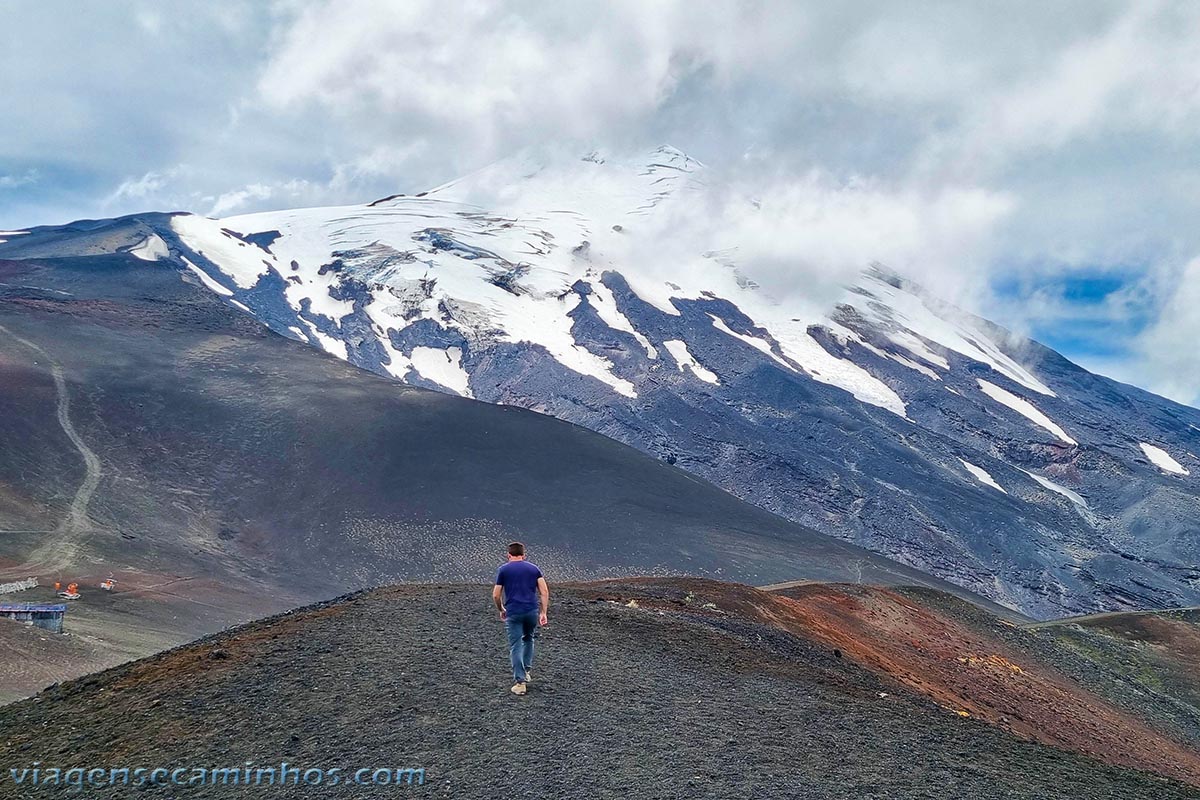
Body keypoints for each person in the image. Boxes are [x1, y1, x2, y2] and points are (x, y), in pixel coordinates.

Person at [492, 541, 549, 696]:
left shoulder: (503, 570)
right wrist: (543, 612)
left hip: (514, 612)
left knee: (516, 645)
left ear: (508, 555)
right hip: (531, 610)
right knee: (529, 638)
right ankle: (527, 670)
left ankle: (520, 682)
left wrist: (501, 609)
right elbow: (544, 591)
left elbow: (496, 594)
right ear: (524, 555)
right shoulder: (534, 569)